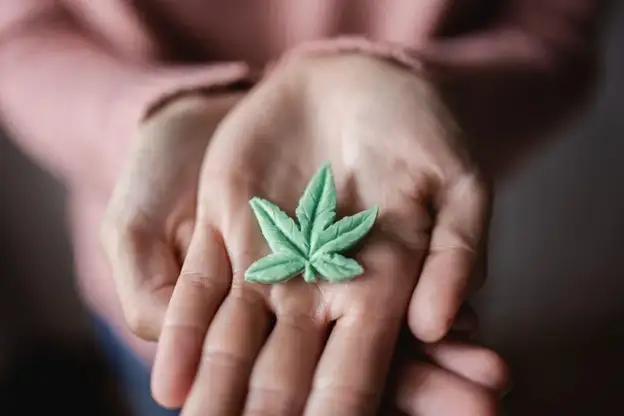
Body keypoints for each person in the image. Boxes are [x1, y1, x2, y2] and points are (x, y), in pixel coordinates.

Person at [0, 1, 605, 415]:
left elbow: (558, 25)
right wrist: (149, 116)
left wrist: (437, 95)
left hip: (411, 266)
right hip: (182, 280)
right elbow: (19, 32)